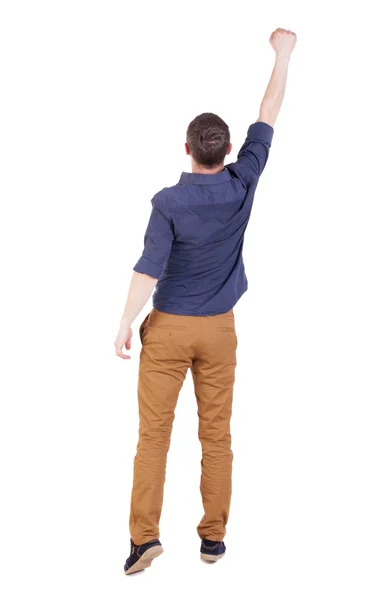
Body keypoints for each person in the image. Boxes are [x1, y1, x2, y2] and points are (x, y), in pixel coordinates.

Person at [115, 27, 297, 575]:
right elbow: (269, 111)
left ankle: (144, 540)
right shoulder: (244, 181)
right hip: (219, 330)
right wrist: (283, 54)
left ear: (188, 149)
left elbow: (149, 267)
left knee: (154, 438)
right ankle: (212, 540)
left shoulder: (169, 201)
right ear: (227, 152)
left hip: (168, 329)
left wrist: (125, 322)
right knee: (217, 436)